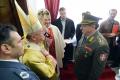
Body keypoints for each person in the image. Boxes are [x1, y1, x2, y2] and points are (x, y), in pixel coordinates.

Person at [74, 14, 109, 80]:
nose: (80, 28)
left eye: (84, 25)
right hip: (80, 72)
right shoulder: (85, 34)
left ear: (93, 26)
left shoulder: (102, 45)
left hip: (87, 76)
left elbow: (97, 69)